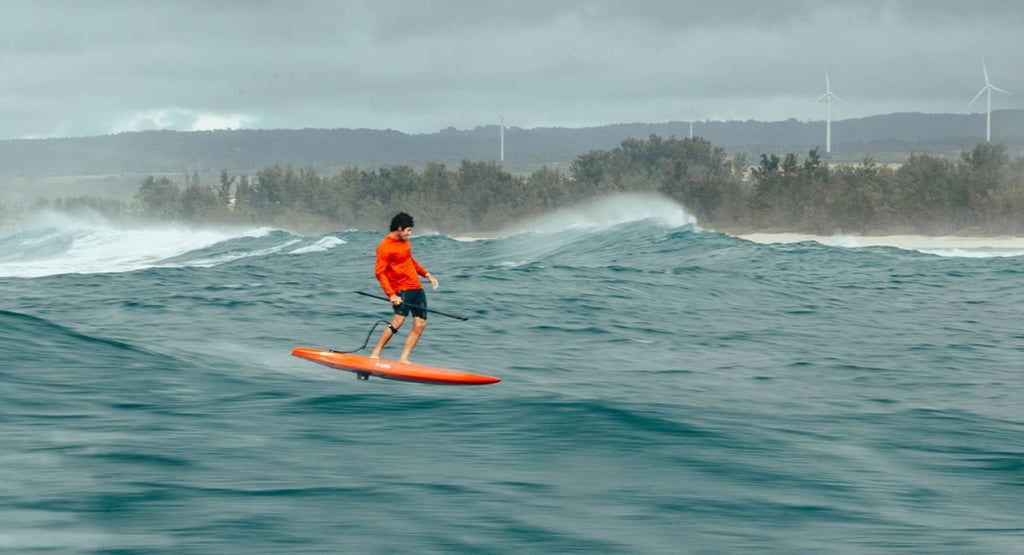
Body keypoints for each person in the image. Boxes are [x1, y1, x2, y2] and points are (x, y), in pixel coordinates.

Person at [370, 212, 439, 363]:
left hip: (417, 287)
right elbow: (379, 273)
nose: (410, 233)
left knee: (420, 324)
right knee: (398, 321)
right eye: (408, 230)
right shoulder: (384, 247)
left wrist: (427, 275)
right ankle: (375, 353)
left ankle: (404, 358)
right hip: (402, 289)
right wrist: (391, 295)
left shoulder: (405, 242)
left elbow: (409, 260)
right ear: (399, 228)